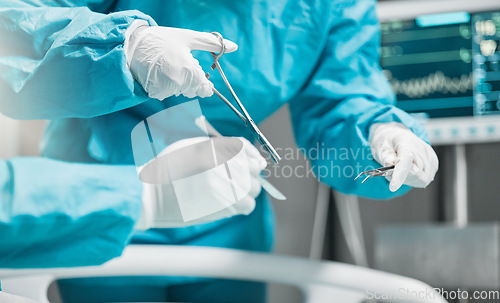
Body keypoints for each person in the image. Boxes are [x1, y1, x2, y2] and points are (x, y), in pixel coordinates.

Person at [0, 0, 438, 302]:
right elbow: (19, 30)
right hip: (97, 196)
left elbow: (341, 99)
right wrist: (122, 49)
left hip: (228, 207)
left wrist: (379, 134)